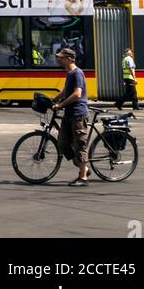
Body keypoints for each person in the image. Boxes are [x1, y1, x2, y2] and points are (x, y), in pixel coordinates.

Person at [55, 47, 90, 185]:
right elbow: (66, 90)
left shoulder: (77, 73)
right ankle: (84, 168)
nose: (59, 60)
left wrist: (61, 104)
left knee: (80, 145)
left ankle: (83, 177)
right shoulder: (69, 73)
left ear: (69, 59)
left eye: (61, 58)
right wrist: (54, 99)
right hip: (69, 114)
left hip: (78, 114)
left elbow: (77, 94)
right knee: (62, 143)